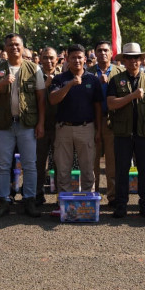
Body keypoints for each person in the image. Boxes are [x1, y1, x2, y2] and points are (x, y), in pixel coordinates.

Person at [0, 33, 45, 218]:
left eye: (17, 44)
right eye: (10, 45)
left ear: (23, 47)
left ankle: (29, 200)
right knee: (2, 165)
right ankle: (3, 200)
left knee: (30, 164)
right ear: (5, 48)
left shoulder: (34, 69)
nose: (14, 48)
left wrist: (41, 123)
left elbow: (41, 99)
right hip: (4, 125)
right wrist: (2, 83)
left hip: (27, 124)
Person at [107, 42, 145, 218]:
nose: (133, 62)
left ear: (141, 59)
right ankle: (121, 205)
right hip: (123, 133)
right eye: (129, 58)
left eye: (136, 58)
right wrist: (131, 96)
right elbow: (111, 103)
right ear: (124, 60)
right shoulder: (115, 80)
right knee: (122, 170)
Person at [49, 44, 103, 214]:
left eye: (80, 57)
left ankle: (87, 202)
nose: (77, 60)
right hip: (64, 128)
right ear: (67, 60)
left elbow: (98, 107)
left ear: (85, 59)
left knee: (88, 168)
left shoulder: (92, 80)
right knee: (63, 169)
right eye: (73, 57)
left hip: (86, 128)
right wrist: (70, 85)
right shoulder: (60, 79)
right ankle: (63, 203)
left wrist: (99, 130)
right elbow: (52, 100)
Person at [89, 41, 123, 205]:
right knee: (91, 162)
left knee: (112, 162)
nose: (102, 53)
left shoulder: (120, 72)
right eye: (99, 50)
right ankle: (92, 196)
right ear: (95, 53)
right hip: (92, 121)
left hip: (112, 121)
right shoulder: (87, 72)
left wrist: (108, 83)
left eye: (106, 50)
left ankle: (113, 197)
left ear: (111, 53)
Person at [36, 47, 60, 205]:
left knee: (60, 162)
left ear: (57, 59)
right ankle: (38, 194)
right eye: (45, 58)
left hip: (59, 125)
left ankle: (60, 196)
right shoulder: (34, 76)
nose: (48, 61)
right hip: (40, 125)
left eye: (51, 58)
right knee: (39, 162)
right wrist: (45, 84)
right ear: (40, 59)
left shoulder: (63, 77)